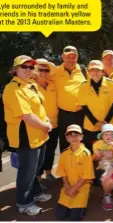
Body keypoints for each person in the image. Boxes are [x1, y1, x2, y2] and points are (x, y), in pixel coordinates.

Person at [3, 55, 52, 215]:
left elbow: (39, 106)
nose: (28, 70)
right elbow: (27, 116)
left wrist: (46, 120)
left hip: (39, 134)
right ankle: (24, 202)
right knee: (27, 170)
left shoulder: (31, 84)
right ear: (15, 69)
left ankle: (36, 193)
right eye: (24, 67)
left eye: (31, 67)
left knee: (35, 168)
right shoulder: (13, 88)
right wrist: (46, 125)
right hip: (26, 136)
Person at [77, 60, 113, 152]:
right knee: (93, 153)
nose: (95, 73)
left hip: (109, 126)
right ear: (89, 72)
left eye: (98, 70)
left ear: (102, 71)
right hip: (90, 126)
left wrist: (106, 122)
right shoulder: (83, 86)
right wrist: (95, 122)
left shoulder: (112, 84)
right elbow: (84, 106)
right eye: (92, 70)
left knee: (111, 153)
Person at [50, 46, 87, 152]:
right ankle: (66, 167)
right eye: (68, 57)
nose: (71, 59)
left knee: (82, 142)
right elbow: (41, 77)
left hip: (81, 113)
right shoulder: (55, 71)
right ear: (62, 57)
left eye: (73, 57)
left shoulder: (84, 70)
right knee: (65, 143)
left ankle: (81, 167)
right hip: (64, 114)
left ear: (77, 57)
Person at [55, 124, 95, 221]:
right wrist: (68, 188)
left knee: (74, 218)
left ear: (81, 137)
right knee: (60, 215)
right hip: (68, 187)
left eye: (76, 134)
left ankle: (85, 199)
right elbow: (62, 173)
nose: (73, 137)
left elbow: (86, 176)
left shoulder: (86, 154)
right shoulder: (64, 153)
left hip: (82, 187)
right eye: (70, 135)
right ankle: (73, 205)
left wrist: (73, 190)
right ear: (66, 138)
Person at [33, 59, 58, 185]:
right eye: (40, 69)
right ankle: (37, 178)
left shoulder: (53, 84)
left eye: (46, 70)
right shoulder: (31, 86)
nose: (43, 72)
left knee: (51, 150)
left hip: (54, 124)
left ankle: (48, 173)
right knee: (39, 155)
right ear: (35, 71)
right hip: (39, 126)